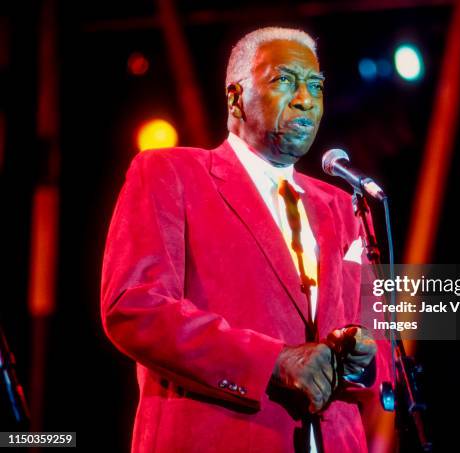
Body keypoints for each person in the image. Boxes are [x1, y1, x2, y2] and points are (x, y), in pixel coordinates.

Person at [101, 27, 392, 453]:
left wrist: (364, 361)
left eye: (315, 85)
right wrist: (272, 363)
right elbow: (135, 306)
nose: (305, 99)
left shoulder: (342, 205)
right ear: (235, 98)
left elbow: (385, 349)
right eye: (284, 80)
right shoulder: (171, 174)